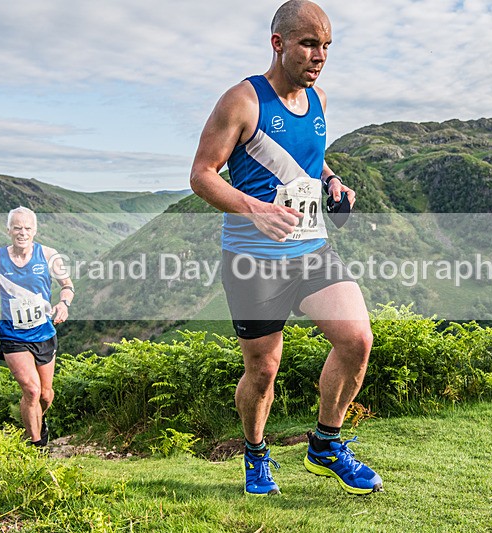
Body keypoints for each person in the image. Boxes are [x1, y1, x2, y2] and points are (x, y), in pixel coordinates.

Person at [190, 0, 382, 495]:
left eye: (326, 46)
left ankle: (325, 445)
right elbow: (201, 176)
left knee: (357, 339)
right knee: (263, 368)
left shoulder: (316, 100)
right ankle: (256, 453)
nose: (319, 56)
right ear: (278, 44)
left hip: (311, 249)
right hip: (253, 261)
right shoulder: (242, 100)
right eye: (309, 44)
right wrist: (255, 209)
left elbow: (309, 161)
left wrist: (334, 181)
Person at [0, 206, 74, 447]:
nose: (22, 232)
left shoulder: (49, 256)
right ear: (8, 230)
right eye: (17, 227)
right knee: (31, 390)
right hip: (13, 335)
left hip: (43, 332)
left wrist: (63, 304)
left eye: (27, 228)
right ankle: (37, 446)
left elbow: (67, 285)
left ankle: (39, 421)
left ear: (35, 230)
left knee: (45, 394)